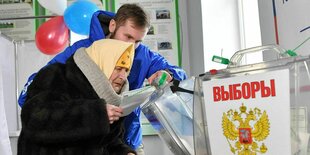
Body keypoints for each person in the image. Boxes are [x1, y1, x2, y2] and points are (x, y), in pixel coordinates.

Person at [18, 3, 187, 154]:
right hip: (77, 141)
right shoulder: (80, 51)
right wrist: (92, 113)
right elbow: (34, 98)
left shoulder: (143, 54)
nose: (131, 47)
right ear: (113, 25)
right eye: (127, 37)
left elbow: (178, 73)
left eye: (137, 41)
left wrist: (167, 74)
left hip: (123, 140)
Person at [18, 39, 137, 155]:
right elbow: (35, 119)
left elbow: (107, 143)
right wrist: (95, 114)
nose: (123, 76)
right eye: (118, 68)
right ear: (102, 63)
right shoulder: (56, 76)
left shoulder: (109, 97)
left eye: (126, 70)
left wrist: (124, 152)